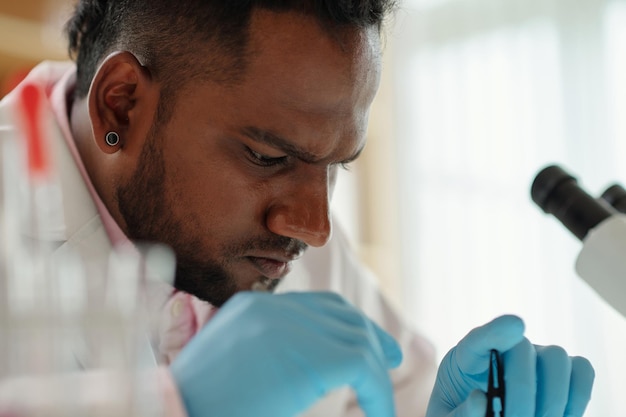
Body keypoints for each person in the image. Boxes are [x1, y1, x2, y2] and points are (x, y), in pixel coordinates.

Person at [0, 1, 594, 416]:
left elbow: (404, 398)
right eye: (265, 156)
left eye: (336, 166)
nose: (315, 227)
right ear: (122, 106)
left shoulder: (279, 247)